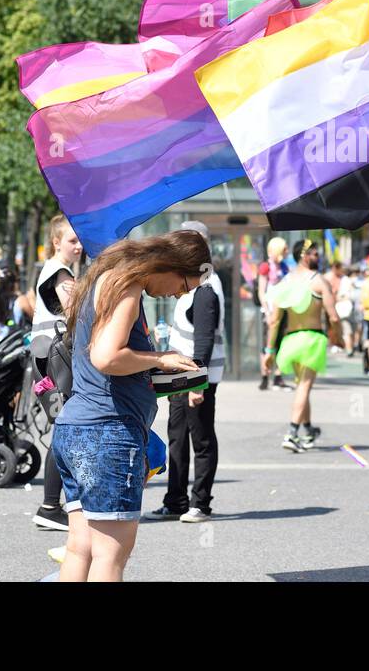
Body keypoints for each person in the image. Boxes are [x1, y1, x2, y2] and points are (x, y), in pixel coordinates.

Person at [53, 230, 207, 582]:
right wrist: (162, 357)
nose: (179, 294)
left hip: (75, 428)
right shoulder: (128, 286)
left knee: (81, 548)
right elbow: (107, 357)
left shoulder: (105, 279)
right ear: (170, 264)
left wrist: (154, 368)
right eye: (184, 285)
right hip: (107, 434)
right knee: (110, 556)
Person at [147, 220, 225, 524]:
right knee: (177, 435)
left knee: (201, 437)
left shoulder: (206, 287)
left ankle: (200, 503)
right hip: (182, 371)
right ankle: (176, 499)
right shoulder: (194, 284)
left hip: (196, 375)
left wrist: (198, 384)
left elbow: (205, 338)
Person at [30, 214, 83, 533]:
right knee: (64, 428)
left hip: (43, 363)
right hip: (54, 362)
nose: (78, 246)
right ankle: (50, 506)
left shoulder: (51, 269)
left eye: (79, 241)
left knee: (62, 428)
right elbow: (75, 309)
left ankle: (54, 504)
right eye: (72, 241)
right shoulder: (60, 272)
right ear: (56, 242)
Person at [268, 239, 339, 453]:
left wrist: (269, 350)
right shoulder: (319, 281)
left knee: (301, 387)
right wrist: (339, 336)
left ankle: (307, 431)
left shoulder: (285, 281)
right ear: (304, 255)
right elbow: (333, 317)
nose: (318, 257)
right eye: (315, 253)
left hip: (290, 340)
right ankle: (291, 433)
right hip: (312, 339)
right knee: (304, 388)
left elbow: (274, 321)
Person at [256, 236, 290, 390]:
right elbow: (261, 292)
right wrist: (267, 311)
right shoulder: (266, 267)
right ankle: (265, 376)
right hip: (269, 310)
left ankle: (278, 375)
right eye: (284, 248)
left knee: (281, 344)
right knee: (267, 344)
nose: (287, 251)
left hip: (283, 309)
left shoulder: (284, 267)